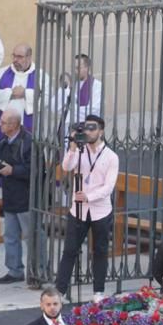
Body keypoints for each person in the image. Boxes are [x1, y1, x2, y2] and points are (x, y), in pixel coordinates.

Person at [53, 114, 118, 303]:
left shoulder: (111, 157)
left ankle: (98, 291)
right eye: (86, 128)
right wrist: (72, 147)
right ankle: (61, 290)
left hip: (100, 211)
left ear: (101, 131)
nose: (89, 132)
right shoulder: (80, 151)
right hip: (78, 210)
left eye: (92, 128)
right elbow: (66, 166)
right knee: (70, 250)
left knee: (100, 250)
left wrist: (89, 196)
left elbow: (109, 187)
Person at [0, 108, 36, 283]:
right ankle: (14, 270)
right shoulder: (3, 142)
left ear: (14, 124)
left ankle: (37, 269)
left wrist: (13, 170)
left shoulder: (29, 142)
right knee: (10, 236)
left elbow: (35, 169)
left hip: (26, 196)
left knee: (31, 235)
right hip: (9, 195)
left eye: (3, 122)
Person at [0, 43, 45, 139]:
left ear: (29, 57)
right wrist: (10, 94)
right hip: (5, 124)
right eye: (14, 56)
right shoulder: (3, 72)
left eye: (19, 57)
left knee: (27, 150)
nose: (15, 60)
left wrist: (25, 94)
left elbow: (47, 98)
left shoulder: (40, 75)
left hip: (29, 124)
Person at [58, 53, 103, 126]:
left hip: (86, 127)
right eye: (73, 68)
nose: (75, 71)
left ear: (87, 68)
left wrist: (70, 110)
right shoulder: (71, 84)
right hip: (67, 128)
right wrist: (65, 88)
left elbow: (94, 110)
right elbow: (56, 106)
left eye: (78, 68)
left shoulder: (96, 85)